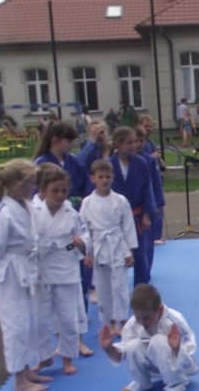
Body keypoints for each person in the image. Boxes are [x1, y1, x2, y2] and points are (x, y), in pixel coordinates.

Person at [0, 159, 49, 391]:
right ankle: (19, 379)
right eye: (31, 183)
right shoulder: (0, 211)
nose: (34, 188)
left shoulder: (25, 205)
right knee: (15, 325)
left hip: (27, 268)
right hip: (9, 273)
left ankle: (28, 368)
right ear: (18, 184)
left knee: (30, 321)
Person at [34, 121, 96, 357]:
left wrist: (83, 245)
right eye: (68, 141)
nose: (70, 146)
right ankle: (52, 347)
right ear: (56, 139)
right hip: (48, 259)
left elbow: (83, 179)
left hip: (69, 249)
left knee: (76, 298)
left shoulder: (71, 164)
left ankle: (76, 341)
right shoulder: (41, 164)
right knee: (48, 308)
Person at [98, 284, 199, 391]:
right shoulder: (132, 324)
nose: (142, 322)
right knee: (132, 346)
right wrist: (109, 348)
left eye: (146, 318)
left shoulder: (174, 320)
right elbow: (124, 354)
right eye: (138, 318)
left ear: (160, 310)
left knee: (158, 341)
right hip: (152, 364)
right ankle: (141, 383)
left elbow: (190, 348)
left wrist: (176, 349)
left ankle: (177, 384)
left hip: (178, 366)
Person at [32, 164, 90, 376]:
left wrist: (81, 243)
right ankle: (43, 356)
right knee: (41, 318)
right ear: (42, 191)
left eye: (63, 190)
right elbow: (26, 241)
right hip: (42, 271)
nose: (59, 195)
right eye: (54, 190)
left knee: (68, 317)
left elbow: (85, 236)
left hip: (66, 270)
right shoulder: (33, 213)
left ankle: (67, 357)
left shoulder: (72, 214)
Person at [81, 159, 138, 334]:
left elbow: (128, 226)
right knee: (103, 288)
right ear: (93, 179)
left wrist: (130, 251)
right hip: (98, 247)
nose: (104, 180)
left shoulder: (120, 200)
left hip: (117, 245)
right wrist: (87, 254)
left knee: (120, 286)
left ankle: (122, 320)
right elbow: (84, 229)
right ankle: (109, 322)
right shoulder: (87, 202)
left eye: (108, 176)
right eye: (100, 177)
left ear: (112, 177)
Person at [110, 126, 157, 286]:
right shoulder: (108, 164)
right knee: (117, 255)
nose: (133, 146)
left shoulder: (141, 163)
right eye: (129, 143)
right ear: (117, 144)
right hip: (115, 218)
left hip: (137, 215)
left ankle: (142, 288)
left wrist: (146, 215)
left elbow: (147, 189)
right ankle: (117, 288)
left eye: (134, 142)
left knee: (140, 255)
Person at [134, 127, 166, 254]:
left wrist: (160, 201)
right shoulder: (126, 159)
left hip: (150, 194)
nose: (138, 144)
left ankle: (155, 238)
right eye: (135, 141)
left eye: (141, 141)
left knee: (155, 216)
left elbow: (157, 182)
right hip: (135, 199)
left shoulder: (150, 160)